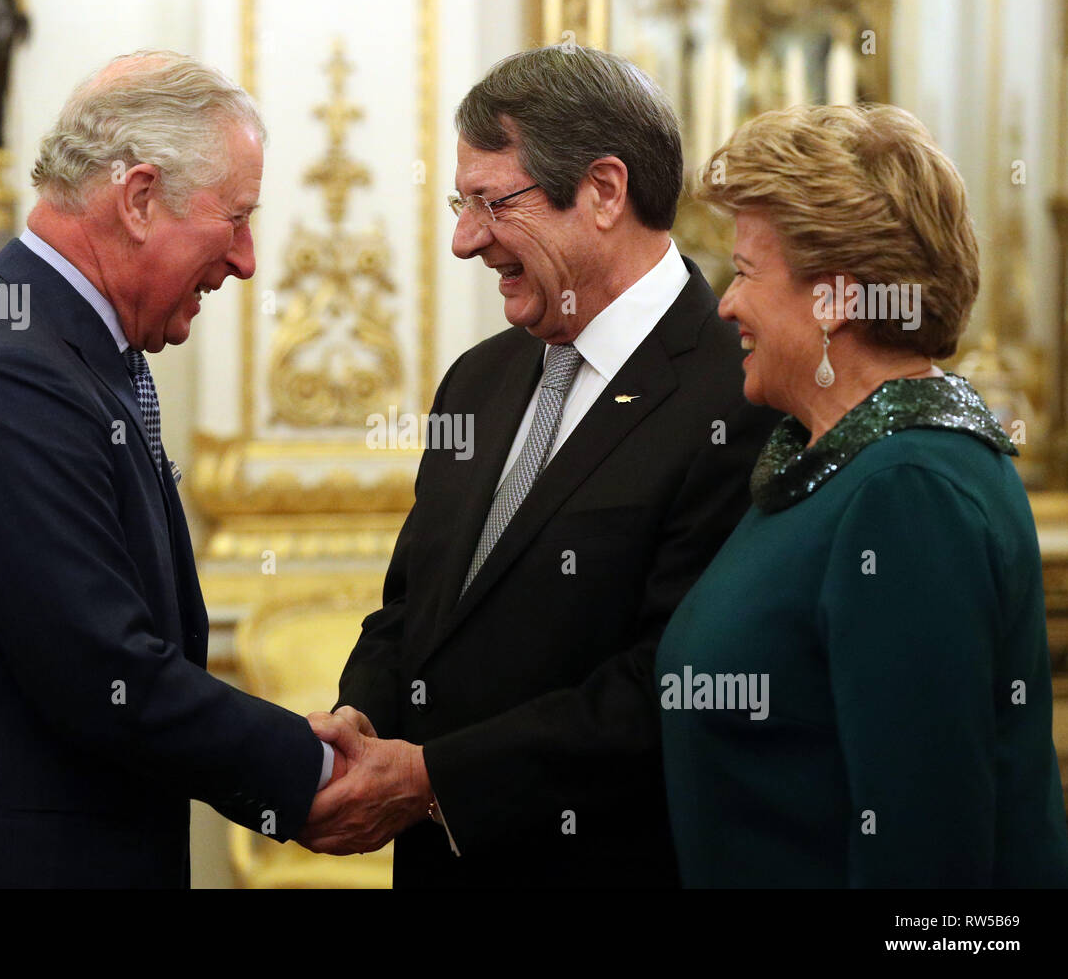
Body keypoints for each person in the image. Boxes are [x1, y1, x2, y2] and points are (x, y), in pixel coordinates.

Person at [0, 51, 341, 887]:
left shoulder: (60, 349)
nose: (245, 260)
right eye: (234, 219)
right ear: (139, 198)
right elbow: (103, 673)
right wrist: (316, 775)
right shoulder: (6, 373)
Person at [301, 46, 779, 887]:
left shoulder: (742, 391)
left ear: (602, 190)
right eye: (462, 202)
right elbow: (414, 610)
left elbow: (671, 682)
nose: (463, 239)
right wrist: (360, 723)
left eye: (493, 203)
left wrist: (431, 781)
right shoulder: (477, 380)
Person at [657, 103, 1068, 886]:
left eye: (745, 273)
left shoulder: (909, 493)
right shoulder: (835, 465)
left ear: (838, 297)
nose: (726, 305)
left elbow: (928, 867)